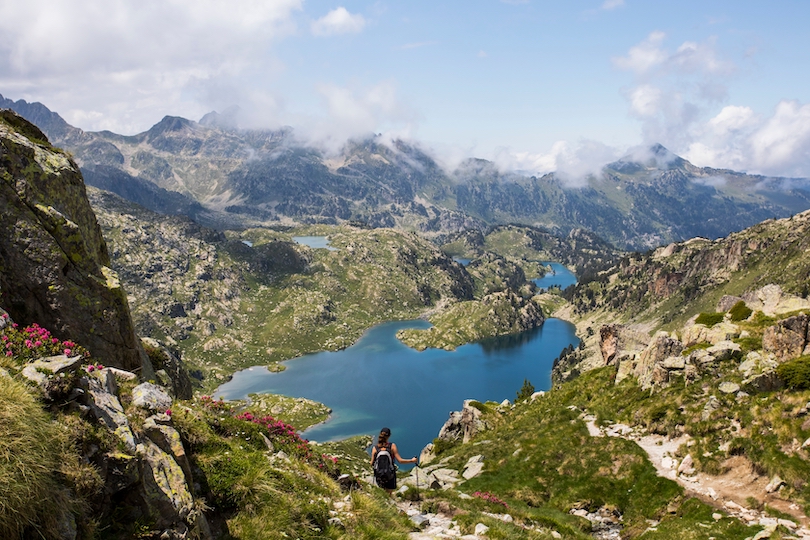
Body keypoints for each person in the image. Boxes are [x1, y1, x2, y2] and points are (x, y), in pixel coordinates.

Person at [370, 427, 417, 493]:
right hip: (390, 475)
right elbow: (400, 460)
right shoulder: (392, 446)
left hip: (379, 475)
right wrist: (412, 460)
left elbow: (371, 463)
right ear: (389, 436)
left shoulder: (375, 448)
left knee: (381, 494)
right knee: (389, 494)